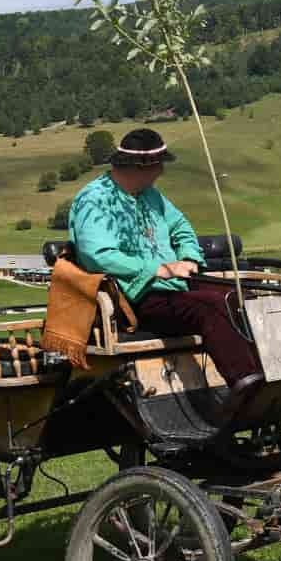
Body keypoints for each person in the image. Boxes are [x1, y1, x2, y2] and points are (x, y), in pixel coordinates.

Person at [68, 128, 263, 420]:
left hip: (172, 289)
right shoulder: (95, 200)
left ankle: (267, 374)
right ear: (142, 167)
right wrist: (155, 269)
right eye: (158, 165)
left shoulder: (151, 195)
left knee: (240, 297)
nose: (161, 172)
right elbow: (99, 255)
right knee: (212, 307)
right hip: (132, 298)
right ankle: (246, 385)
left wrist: (189, 257)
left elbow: (181, 227)